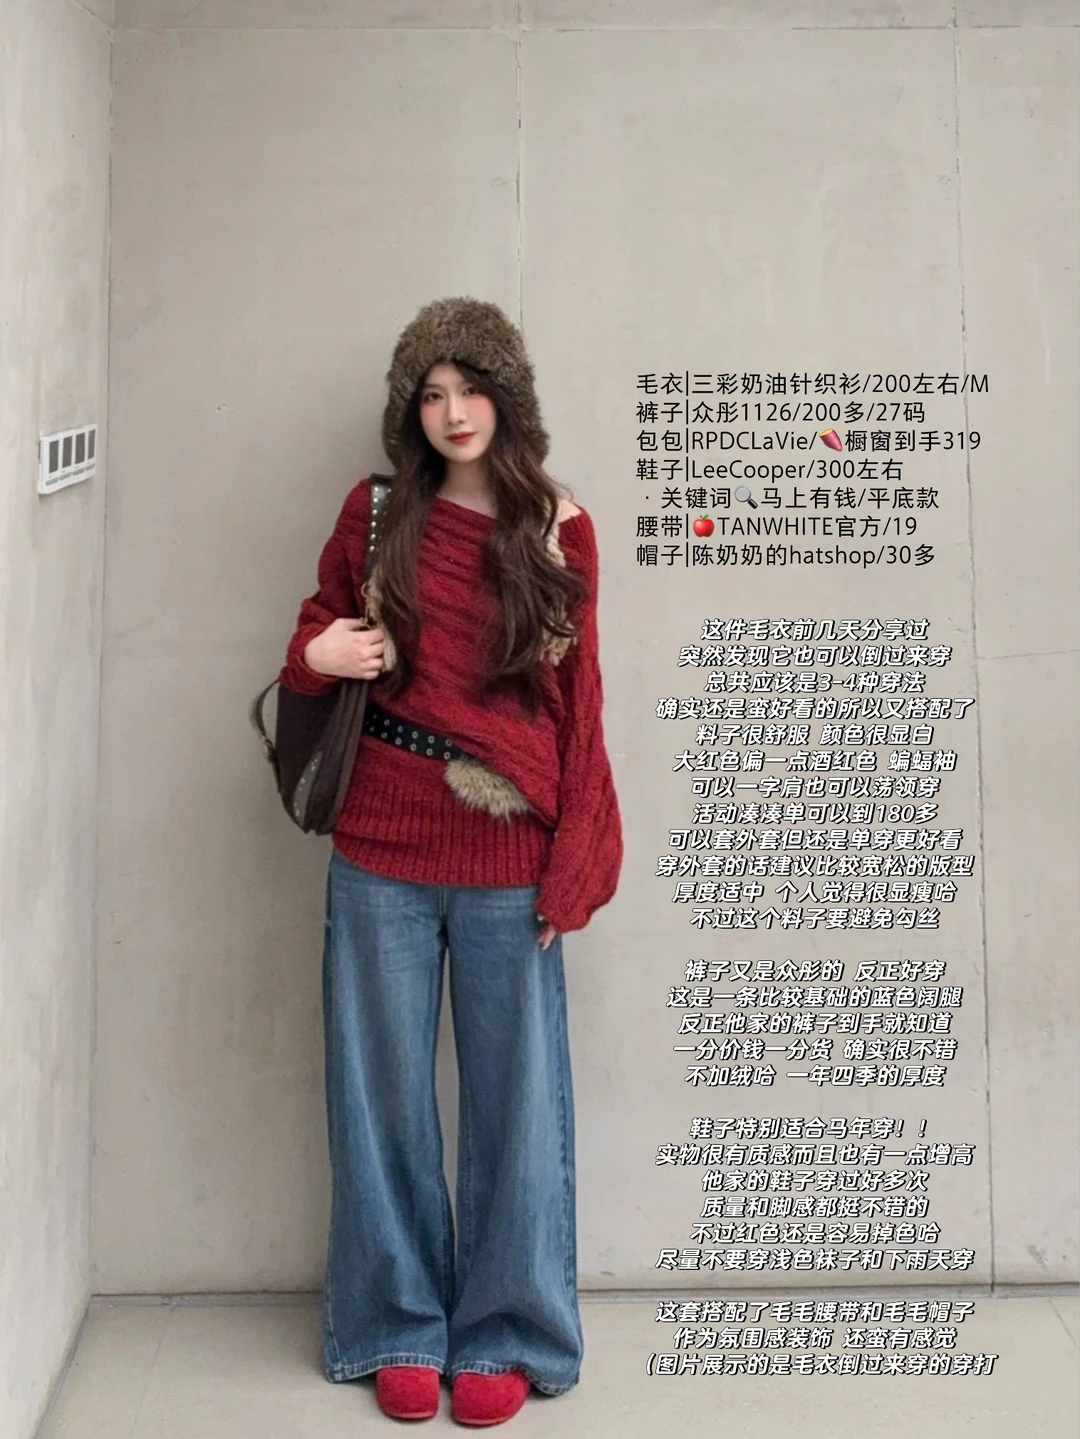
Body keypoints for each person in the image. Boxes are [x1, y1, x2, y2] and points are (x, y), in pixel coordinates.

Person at [278, 297, 623, 1426]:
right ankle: (393, 1323)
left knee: (518, 1105)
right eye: (432, 393)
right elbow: (319, 629)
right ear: (410, 408)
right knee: (379, 1093)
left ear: (507, 398)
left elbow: (580, 706)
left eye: (471, 388)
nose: (454, 411)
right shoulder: (378, 513)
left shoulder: (561, 528)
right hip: (379, 841)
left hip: (510, 853)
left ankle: (509, 1332)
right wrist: (320, 652)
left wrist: (576, 860)